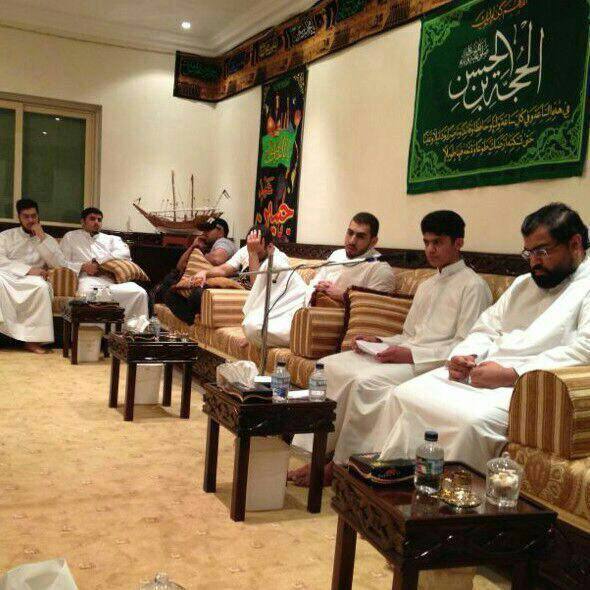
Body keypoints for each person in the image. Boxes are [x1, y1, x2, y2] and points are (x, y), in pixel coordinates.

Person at [379, 202, 590, 472]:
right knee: (404, 394)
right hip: (482, 372)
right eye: (529, 253)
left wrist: (512, 374)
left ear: (575, 244)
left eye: (542, 251)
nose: (534, 262)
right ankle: (391, 481)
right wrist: (465, 356)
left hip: (526, 386)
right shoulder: (524, 283)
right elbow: (486, 327)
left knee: (468, 422)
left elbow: (584, 350)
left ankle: (449, 495)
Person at [289, 210, 492, 486]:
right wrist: (380, 341)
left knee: (365, 383)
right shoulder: (427, 285)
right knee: (332, 365)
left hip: (430, 365)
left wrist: (411, 354)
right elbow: (409, 335)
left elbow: (465, 347)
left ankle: (342, 466)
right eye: (426, 242)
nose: (430, 250)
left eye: (438, 242)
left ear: (458, 243)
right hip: (407, 354)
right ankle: (317, 454)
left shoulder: (474, 286)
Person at [192, 224, 307, 347]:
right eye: (250, 247)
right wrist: (205, 273)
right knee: (192, 290)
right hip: (237, 288)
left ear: (269, 246)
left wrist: (253, 253)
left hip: (253, 298)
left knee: (199, 295)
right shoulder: (246, 250)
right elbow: (225, 269)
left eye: (258, 250)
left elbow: (257, 289)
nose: (252, 250)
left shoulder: (278, 260)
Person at [0, 198, 68, 353]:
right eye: (26, 216)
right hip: (8, 276)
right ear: (19, 217)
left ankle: (32, 341)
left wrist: (42, 238)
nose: (31, 220)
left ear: (38, 216)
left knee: (42, 288)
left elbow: (58, 264)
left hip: (34, 280)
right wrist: (27, 269)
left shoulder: (47, 238)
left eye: (34, 216)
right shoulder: (6, 236)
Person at [60, 207, 149, 321]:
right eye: (92, 219)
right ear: (82, 222)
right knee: (87, 294)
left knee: (139, 292)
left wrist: (98, 262)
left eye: (99, 220)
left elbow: (124, 253)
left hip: (111, 279)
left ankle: (132, 329)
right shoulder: (71, 237)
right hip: (87, 279)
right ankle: (94, 331)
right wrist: (83, 267)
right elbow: (62, 262)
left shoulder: (112, 239)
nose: (96, 222)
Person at [305, 212, 395, 306]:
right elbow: (313, 285)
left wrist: (343, 295)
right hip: (315, 309)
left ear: (373, 241)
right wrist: (318, 289)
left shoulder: (380, 268)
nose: (352, 241)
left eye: (360, 236)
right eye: (350, 233)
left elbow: (376, 307)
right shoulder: (337, 254)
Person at [160, 218, 238, 324]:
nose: (204, 233)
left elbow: (217, 259)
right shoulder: (208, 246)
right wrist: (194, 246)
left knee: (189, 293)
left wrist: (201, 254)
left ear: (220, 231)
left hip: (217, 286)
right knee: (169, 285)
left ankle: (192, 319)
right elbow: (180, 266)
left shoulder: (224, 242)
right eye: (204, 230)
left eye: (208, 230)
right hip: (201, 283)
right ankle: (192, 320)